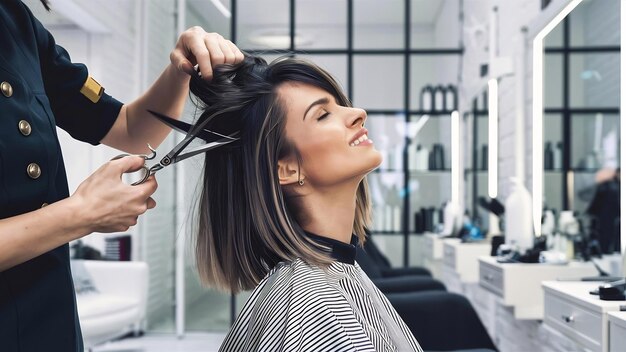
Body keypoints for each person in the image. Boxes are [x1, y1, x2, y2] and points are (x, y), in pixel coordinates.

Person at [0, 1, 243, 351]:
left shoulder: (17, 22)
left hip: (50, 327)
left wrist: (180, 68)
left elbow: (129, 128)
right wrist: (81, 214)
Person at [188, 55, 422, 351]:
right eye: (323, 115)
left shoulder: (331, 272)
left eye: (339, 105)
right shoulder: (314, 309)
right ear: (286, 169)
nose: (357, 113)